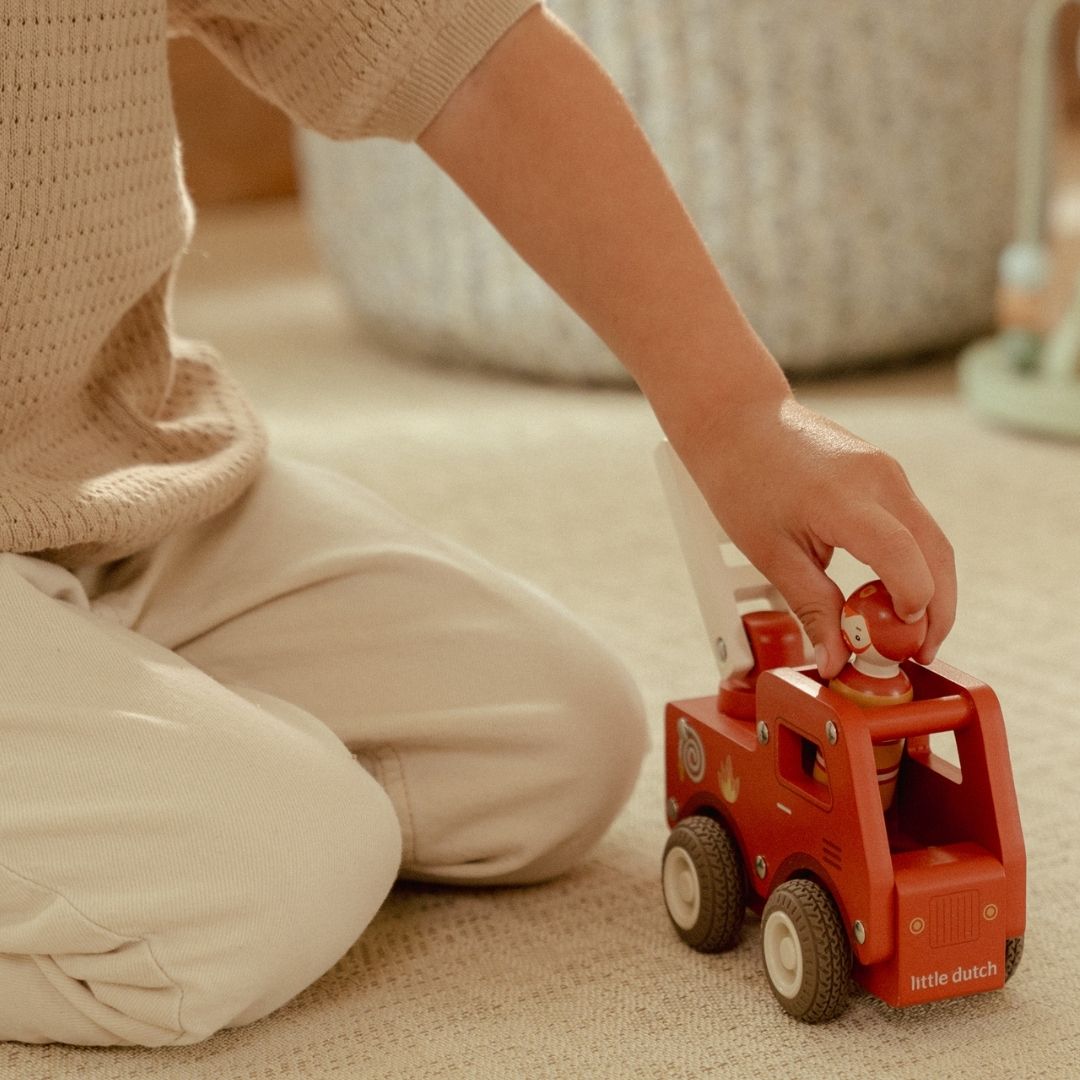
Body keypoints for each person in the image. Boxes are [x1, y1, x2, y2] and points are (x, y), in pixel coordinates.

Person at [0, 0, 955, 1047]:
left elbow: (467, 55)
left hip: (99, 464)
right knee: (270, 873)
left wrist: (735, 412)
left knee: (561, 745)